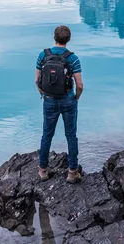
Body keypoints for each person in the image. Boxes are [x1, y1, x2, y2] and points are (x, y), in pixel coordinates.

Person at [35, 25, 84, 183]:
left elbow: (37, 80)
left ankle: (43, 170)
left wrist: (43, 94)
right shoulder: (72, 58)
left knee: (47, 135)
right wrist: (76, 97)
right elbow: (80, 85)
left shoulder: (43, 55)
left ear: (54, 38)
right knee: (71, 136)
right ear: (68, 39)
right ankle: (72, 172)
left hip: (49, 100)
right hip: (68, 100)